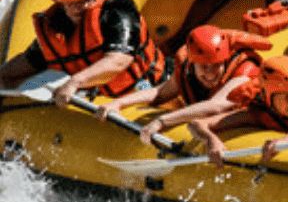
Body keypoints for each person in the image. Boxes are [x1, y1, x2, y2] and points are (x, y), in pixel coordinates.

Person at [0, 0, 165, 105]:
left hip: (147, 85)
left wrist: (74, 82)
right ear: (62, 4)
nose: (82, 7)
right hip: (98, 94)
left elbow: (120, 60)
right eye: (73, 3)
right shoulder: (56, 25)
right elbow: (27, 62)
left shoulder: (117, 9)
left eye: (87, 0)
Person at [97, 25, 269, 143]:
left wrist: (162, 121)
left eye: (217, 65)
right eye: (204, 66)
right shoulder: (186, 68)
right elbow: (160, 92)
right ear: (193, 63)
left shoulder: (245, 70)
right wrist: (119, 103)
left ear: (225, 60)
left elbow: (216, 106)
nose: (210, 73)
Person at [189, 55, 288, 165]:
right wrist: (211, 140)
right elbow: (196, 124)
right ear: (267, 96)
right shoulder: (258, 114)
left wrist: (285, 141)